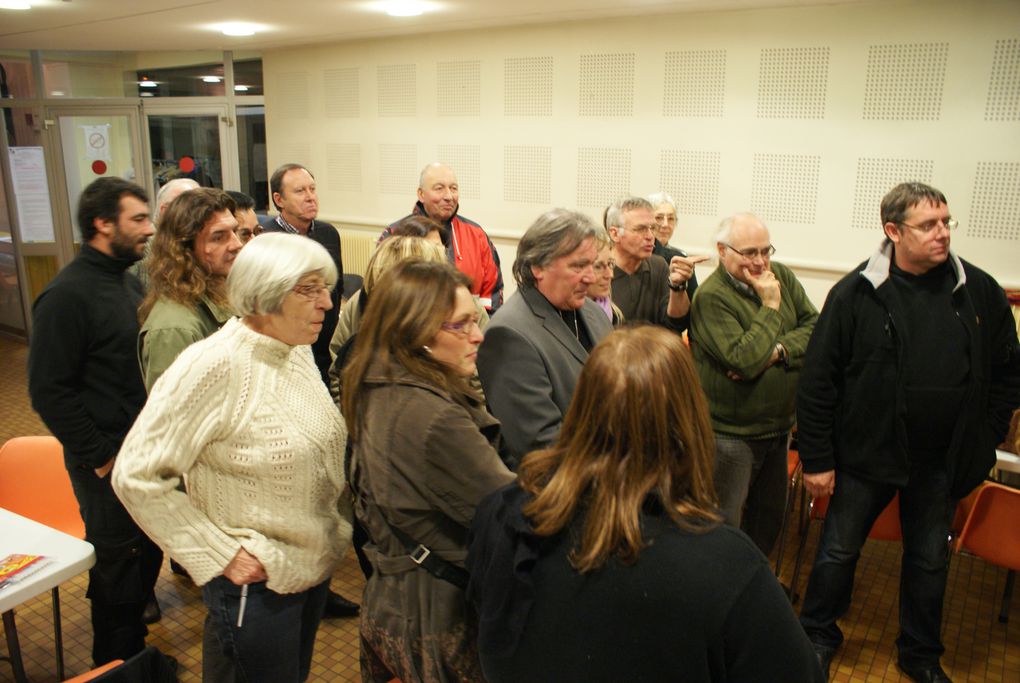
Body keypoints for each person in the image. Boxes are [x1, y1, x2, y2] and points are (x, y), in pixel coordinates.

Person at [466, 326, 825, 683]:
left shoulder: (502, 512)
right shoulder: (725, 564)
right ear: (691, 420)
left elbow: (490, 632)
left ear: (581, 406)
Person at [796, 182, 1020, 683]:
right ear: (893, 231)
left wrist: (984, 440)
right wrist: (816, 458)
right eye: (928, 225)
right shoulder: (856, 292)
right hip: (864, 457)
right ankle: (816, 635)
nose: (942, 234)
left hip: (941, 461)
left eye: (946, 222)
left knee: (929, 562)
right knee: (837, 552)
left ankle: (920, 654)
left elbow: (1008, 373)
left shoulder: (978, 290)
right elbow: (818, 382)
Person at [113, 233, 353, 683]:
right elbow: (136, 474)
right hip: (255, 584)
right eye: (309, 289)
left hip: (311, 565)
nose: (327, 302)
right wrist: (218, 553)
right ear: (265, 294)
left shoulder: (294, 348)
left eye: (326, 287)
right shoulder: (213, 365)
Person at [342, 261, 515, 682]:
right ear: (414, 332)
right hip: (437, 613)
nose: (478, 336)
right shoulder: (433, 417)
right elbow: (508, 512)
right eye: (460, 326)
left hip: (394, 600)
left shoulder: (376, 381)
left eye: (474, 321)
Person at [28, 176, 163, 666]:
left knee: (144, 559)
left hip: (139, 457)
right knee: (119, 576)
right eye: (138, 219)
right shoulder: (66, 296)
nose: (149, 229)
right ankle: (114, 668)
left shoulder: (125, 279)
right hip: (105, 464)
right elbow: (48, 391)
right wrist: (102, 456)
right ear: (103, 224)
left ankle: (136, 659)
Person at [690, 212, 817, 556]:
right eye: (749, 252)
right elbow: (743, 361)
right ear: (722, 250)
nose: (760, 261)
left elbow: (815, 327)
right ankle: (715, 599)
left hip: (778, 430)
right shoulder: (712, 297)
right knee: (720, 525)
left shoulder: (783, 277)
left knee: (768, 519)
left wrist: (777, 352)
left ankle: (749, 591)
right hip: (731, 435)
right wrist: (771, 307)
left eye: (765, 250)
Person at [476, 209, 612, 469]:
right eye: (578, 266)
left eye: (592, 265)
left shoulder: (592, 312)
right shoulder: (508, 334)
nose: (591, 277)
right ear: (538, 266)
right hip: (555, 492)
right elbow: (539, 444)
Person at [138, 188, 242, 391]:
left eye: (235, 232)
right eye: (219, 237)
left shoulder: (226, 295)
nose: (237, 244)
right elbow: (176, 417)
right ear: (184, 249)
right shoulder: (173, 329)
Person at [260, 163, 345, 383]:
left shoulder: (328, 233)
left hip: (325, 346)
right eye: (300, 191)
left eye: (312, 189)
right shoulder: (266, 240)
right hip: (288, 351)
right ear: (279, 200)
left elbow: (337, 289)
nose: (310, 197)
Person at [381, 162, 503, 312]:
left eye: (454, 189)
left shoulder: (476, 235)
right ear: (421, 194)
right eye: (439, 188)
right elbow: (383, 295)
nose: (449, 196)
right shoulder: (395, 235)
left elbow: (493, 296)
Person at [607, 196, 705, 332]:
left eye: (652, 228)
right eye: (640, 229)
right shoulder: (598, 272)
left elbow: (677, 324)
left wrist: (677, 287)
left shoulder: (658, 266)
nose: (650, 236)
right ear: (615, 234)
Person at [129, 177, 199, 288]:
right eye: (191, 209)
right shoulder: (142, 247)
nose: (199, 216)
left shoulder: (186, 242)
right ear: (165, 211)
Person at [647, 191, 699, 313]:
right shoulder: (639, 256)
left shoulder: (680, 257)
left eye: (670, 219)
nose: (665, 224)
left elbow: (694, 303)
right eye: (659, 218)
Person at [586, 237, 623, 326]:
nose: (610, 275)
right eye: (598, 267)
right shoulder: (571, 318)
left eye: (610, 264)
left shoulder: (614, 314)